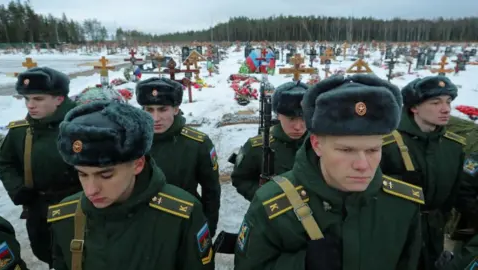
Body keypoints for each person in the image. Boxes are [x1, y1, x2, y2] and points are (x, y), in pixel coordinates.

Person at [234, 74, 422, 270]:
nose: (362, 165)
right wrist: (301, 265)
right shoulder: (272, 206)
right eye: (346, 150)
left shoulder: (403, 204)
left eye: (372, 150)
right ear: (317, 145)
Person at [48, 100, 213, 270]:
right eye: (82, 174)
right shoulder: (66, 216)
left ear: (137, 164)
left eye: (105, 175)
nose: (91, 190)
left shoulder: (179, 216)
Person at [380, 76, 466, 270]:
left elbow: (453, 197)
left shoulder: (453, 147)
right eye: (435, 103)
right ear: (414, 108)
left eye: (448, 102)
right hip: (395, 235)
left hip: (434, 233)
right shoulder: (388, 146)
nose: (445, 109)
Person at [0, 67, 80, 268]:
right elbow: (6, 161)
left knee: (78, 255)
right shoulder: (21, 131)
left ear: (59, 99)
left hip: (76, 207)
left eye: (38, 99)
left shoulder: (80, 126)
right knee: (48, 252)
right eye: (27, 100)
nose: (30, 106)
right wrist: (17, 188)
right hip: (38, 208)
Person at [135, 77, 221, 237]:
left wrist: (207, 229)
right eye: (149, 110)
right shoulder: (133, 142)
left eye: (162, 109)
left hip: (182, 224)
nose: (155, 118)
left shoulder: (197, 144)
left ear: (176, 109)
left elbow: (211, 191)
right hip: (139, 226)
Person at [231, 81, 308, 201]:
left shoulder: (320, 144)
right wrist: (263, 198)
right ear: (278, 115)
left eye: (304, 118)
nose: (298, 126)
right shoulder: (257, 146)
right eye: (291, 119)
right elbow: (241, 179)